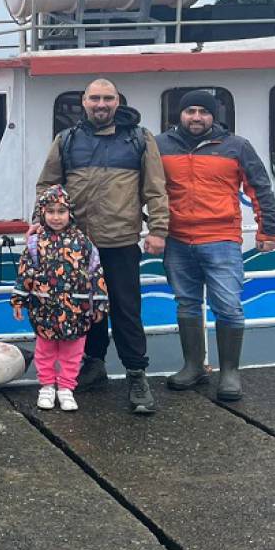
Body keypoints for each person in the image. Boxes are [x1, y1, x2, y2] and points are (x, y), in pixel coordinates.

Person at [36, 78, 169, 415]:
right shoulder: (66, 140)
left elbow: (155, 187)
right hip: (77, 245)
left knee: (126, 310)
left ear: (117, 101)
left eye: (107, 98)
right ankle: (92, 365)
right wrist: (41, 219)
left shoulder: (139, 139)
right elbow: (48, 185)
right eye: (94, 98)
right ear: (84, 102)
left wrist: (158, 229)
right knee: (83, 307)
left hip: (121, 240)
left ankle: (137, 375)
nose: (101, 104)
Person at [157, 89, 275, 401]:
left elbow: (260, 188)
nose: (197, 117)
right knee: (186, 303)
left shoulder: (236, 146)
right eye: (190, 111)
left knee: (228, 307)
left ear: (214, 116)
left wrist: (267, 232)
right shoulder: (159, 146)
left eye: (204, 112)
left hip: (222, 240)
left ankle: (229, 372)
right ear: (179, 115)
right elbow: (144, 188)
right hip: (177, 240)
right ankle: (193, 366)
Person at [11, 185, 109, 412]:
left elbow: (96, 273)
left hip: (77, 308)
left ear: (70, 214)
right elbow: (25, 273)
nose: (56, 217)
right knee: (44, 350)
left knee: (73, 352)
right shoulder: (35, 243)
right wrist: (18, 300)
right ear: (43, 214)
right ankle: (46, 386)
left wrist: (100, 303)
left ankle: (66, 387)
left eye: (61, 211)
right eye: (51, 211)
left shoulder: (84, 242)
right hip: (43, 308)